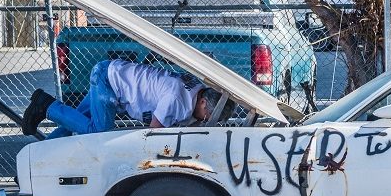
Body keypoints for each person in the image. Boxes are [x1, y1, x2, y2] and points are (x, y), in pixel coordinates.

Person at [22, 59, 235, 139]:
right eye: (208, 116)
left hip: (113, 75)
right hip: (110, 81)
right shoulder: (177, 100)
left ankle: (39, 158)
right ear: (203, 102)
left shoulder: (195, 90)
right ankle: (46, 105)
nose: (206, 120)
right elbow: (154, 133)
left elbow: (190, 121)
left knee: (75, 121)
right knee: (97, 131)